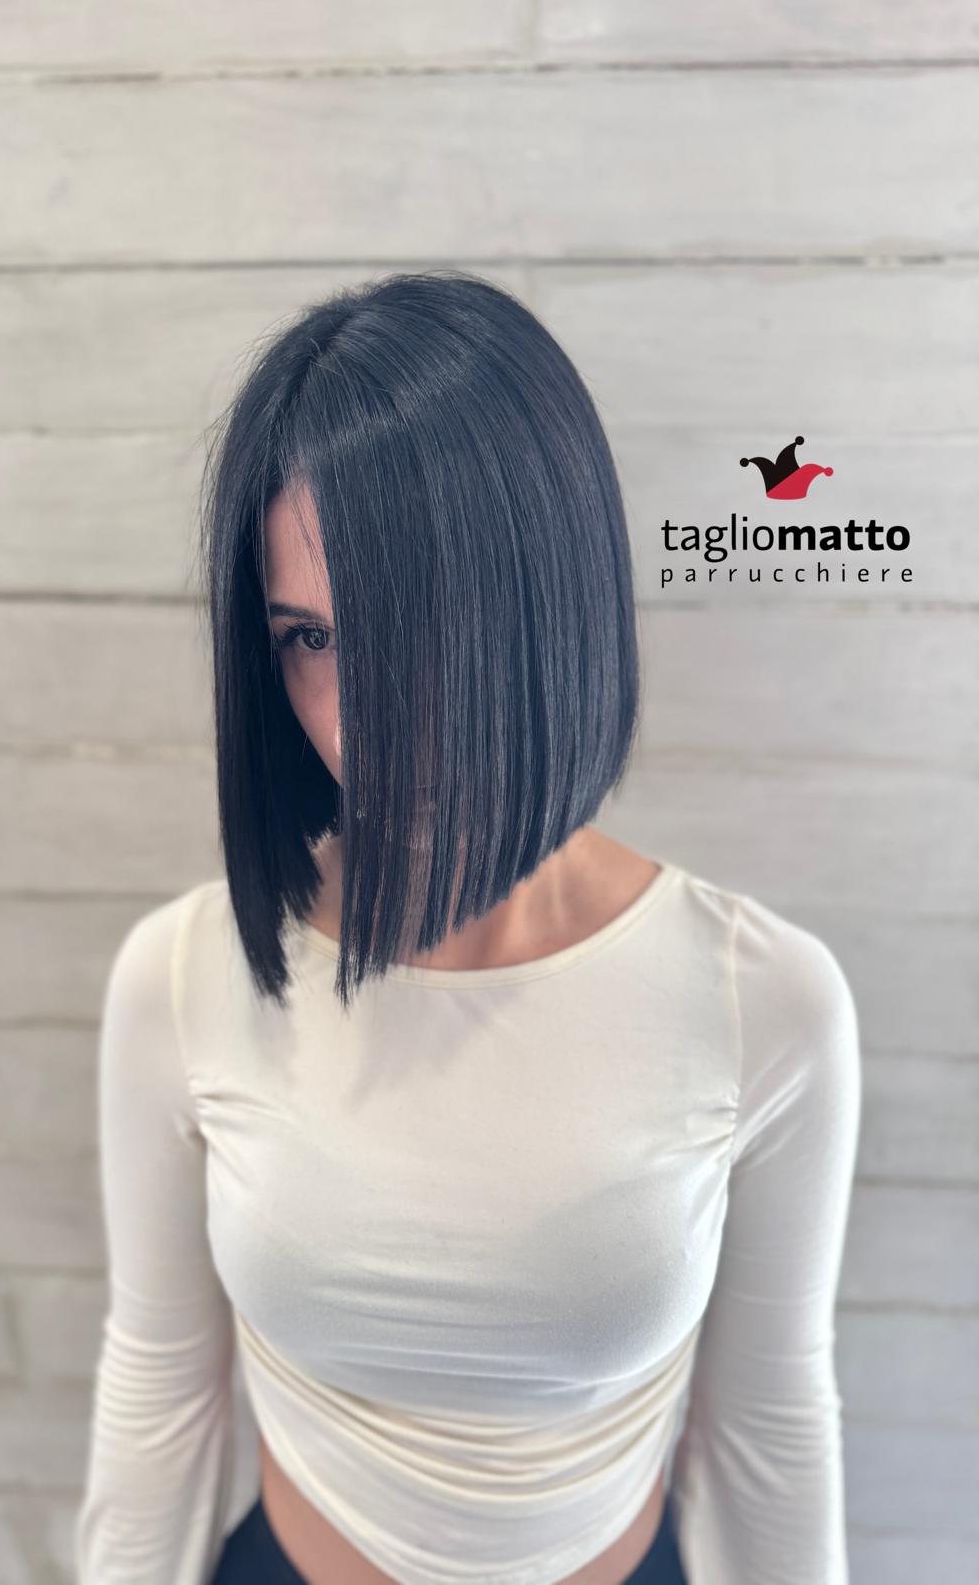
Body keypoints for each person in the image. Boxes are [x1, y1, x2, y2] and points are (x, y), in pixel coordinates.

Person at [73, 270, 862, 1584]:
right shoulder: (186, 974)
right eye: (309, 637)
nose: (363, 720)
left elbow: (769, 1425)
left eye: (417, 632)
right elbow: (157, 1383)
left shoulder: (761, 998)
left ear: (552, 604)